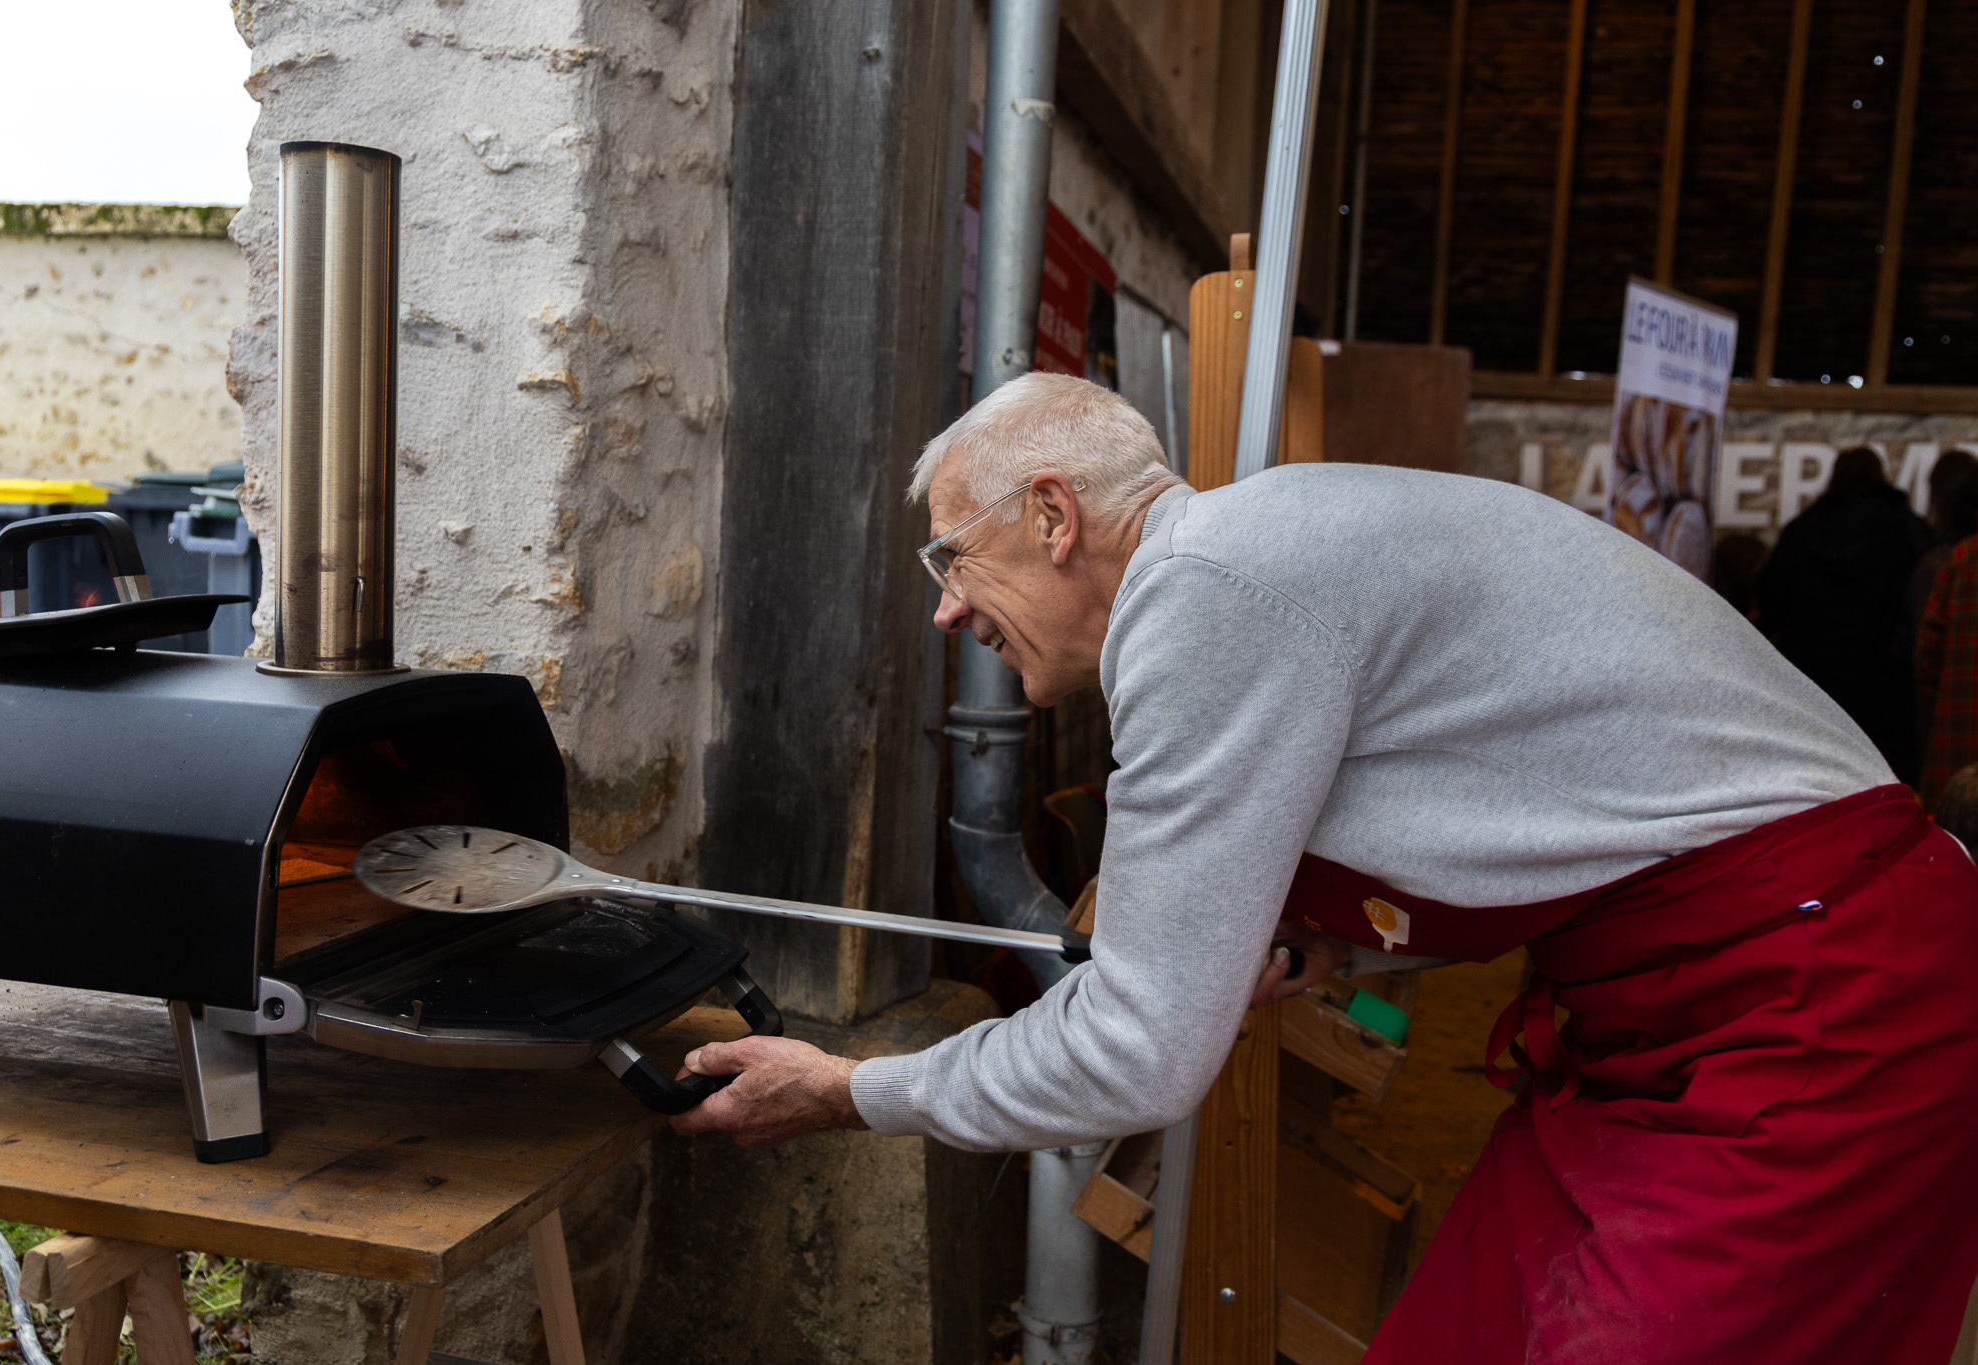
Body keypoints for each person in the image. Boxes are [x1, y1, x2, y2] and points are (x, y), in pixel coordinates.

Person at [671, 373, 1978, 1364]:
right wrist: (1321, 945)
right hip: (1677, 1013)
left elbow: (1139, 1055)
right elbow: (1529, 801)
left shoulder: (1203, 591)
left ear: (1053, 516)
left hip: (1827, 1001)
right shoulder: (1256, 556)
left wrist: (846, 1090)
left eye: (953, 557)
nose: (948, 607)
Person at [1756, 446, 1931, 781]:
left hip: (1814, 686)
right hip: (1884, 687)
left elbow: (1771, 600)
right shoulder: (1907, 529)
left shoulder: (1801, 529)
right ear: (1880, 476)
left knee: (1815, 780)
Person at [1916, 470, 1978, 808]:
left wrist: (1947, 702)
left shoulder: (1963, 557)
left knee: (1955, 833)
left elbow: (1927, 654)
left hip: (1960, 733)